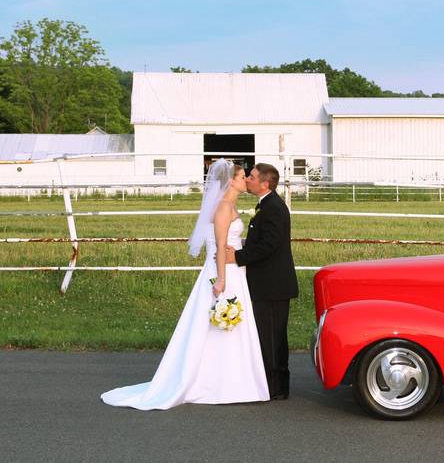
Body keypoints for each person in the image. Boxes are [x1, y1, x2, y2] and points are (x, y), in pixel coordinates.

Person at [101, 159, 270, 409]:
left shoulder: (230, 206)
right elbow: (220, 247)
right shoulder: (223, 207)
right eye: (243, 175)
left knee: (230, 325)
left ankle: (234, 381)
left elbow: (231, 243)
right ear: (231, 180)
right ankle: (212, 382)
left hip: (236, 270)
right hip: (225, 271)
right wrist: (221, 279)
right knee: (216, 323)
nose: (246, 179)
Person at [225, 163, 298, 400]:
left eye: (253, 177)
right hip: (267, 283)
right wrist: (244, 246)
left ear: (265, 183)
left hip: (273, 285)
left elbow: (270, 245)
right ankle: (268, 383)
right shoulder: (266, 205)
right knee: (266, 335)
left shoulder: (274, 208)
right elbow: (263, 241)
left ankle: (277, 388)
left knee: (273, 336)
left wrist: (237, 256)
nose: (247, 179)